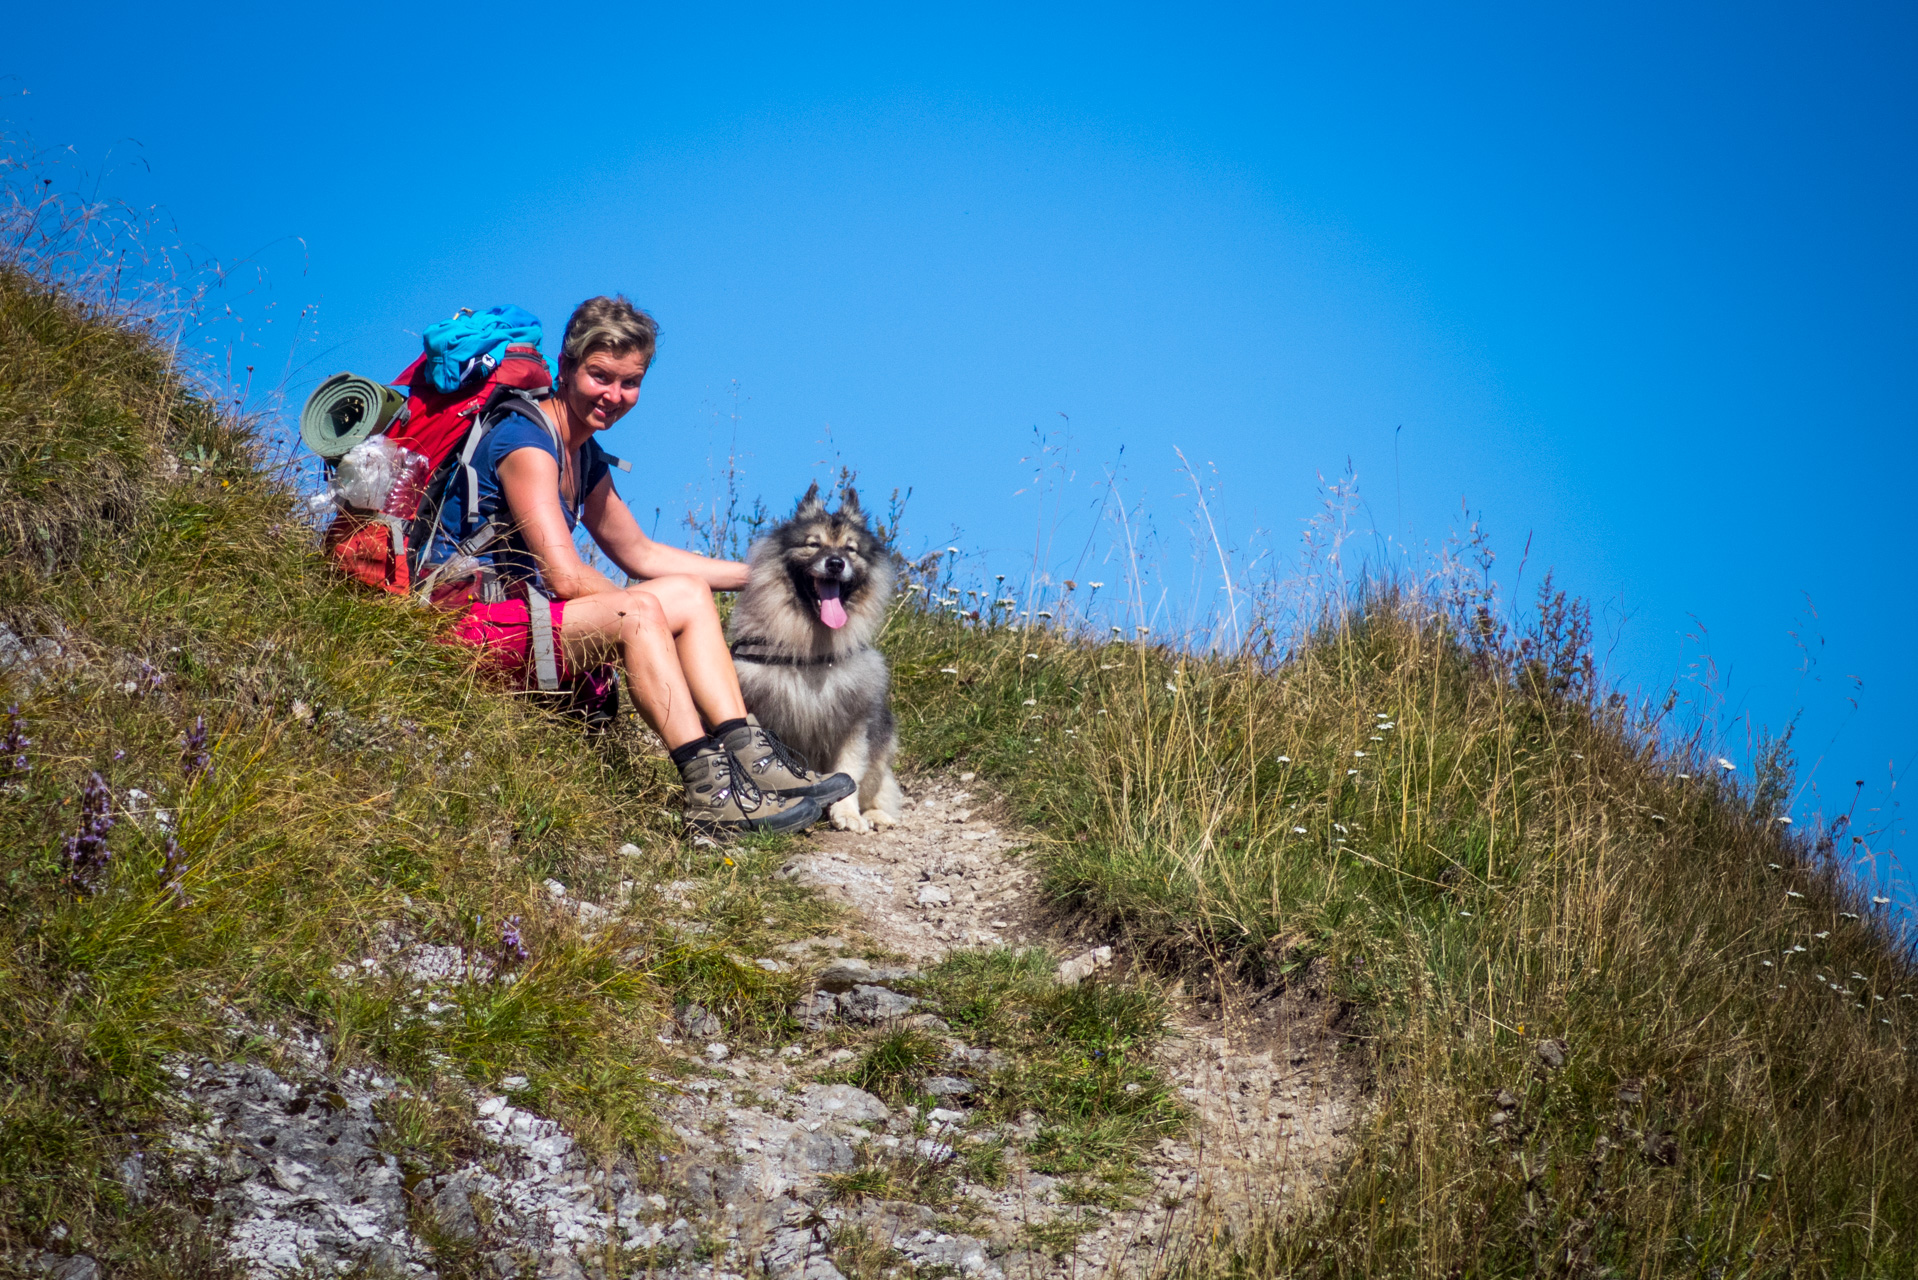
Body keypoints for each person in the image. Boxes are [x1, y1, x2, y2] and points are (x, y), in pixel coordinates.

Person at [426, 295, 852, 833]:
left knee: (688, 593)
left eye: (630, 382)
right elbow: (563, 574)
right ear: (566, 366)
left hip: (520, 623)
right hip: (466, 627)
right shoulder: (526, 442)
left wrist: (770, 574)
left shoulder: (582, 453)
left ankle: (754, 761)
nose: (614, 395)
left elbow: (641, 554)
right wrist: (638, 608)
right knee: (639, 612)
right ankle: (710, 789)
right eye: (600, 376)